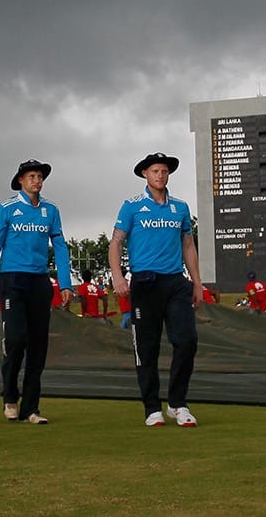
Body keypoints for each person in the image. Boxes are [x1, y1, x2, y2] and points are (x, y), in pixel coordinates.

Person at [109, 152, 203, 428]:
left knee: (187, 341)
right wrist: (118, 277)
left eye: (164, 171)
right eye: (155, 171)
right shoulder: (132, 206)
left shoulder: (180, 207)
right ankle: (152, 407)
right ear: (144, 175)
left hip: (175, 282)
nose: (160, 176)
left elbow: (188, 245)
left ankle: (177, 403)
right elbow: (115, 243)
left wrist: (197, 282)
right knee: (147, 348)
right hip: (145, 282)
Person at [0, 159, 74, 425]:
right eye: (31, 176)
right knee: (15, 340)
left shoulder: (50, 210)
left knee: (38, 345)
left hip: (39, 281)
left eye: (39, 176)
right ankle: (10, 397)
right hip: (12, 280)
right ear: (21, 180)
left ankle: (31, 408)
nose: (37, 180)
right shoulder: (7, 208)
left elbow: (60, 247)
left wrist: (66, 283)